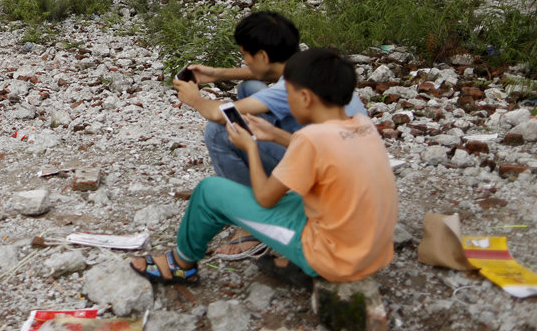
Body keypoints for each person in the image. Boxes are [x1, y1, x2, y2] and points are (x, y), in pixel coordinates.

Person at [133, 48, 398, 286]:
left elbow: (265, 198)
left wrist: (250, 148)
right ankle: (291, 258)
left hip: (336, 260)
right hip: (374, 253)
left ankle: (180, 265)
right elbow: (323, 152)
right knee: (298, 193)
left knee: (209, 192)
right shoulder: (361, 124)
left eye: (289, 94)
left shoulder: (311, 139)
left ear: (305, 98)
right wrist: (273, 134)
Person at [174, 11, 368, 187]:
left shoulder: (290, 88)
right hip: (354, 153)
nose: (245, 61)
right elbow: (267, 73)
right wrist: (219, 74)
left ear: (262, 56)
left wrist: (194, 99)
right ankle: (266, 174)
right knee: (251, 87)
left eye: (245, 55)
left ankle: (250, 209)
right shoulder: (312, 64)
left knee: (219, 129)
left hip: (327, 167)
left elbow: (219, 113)